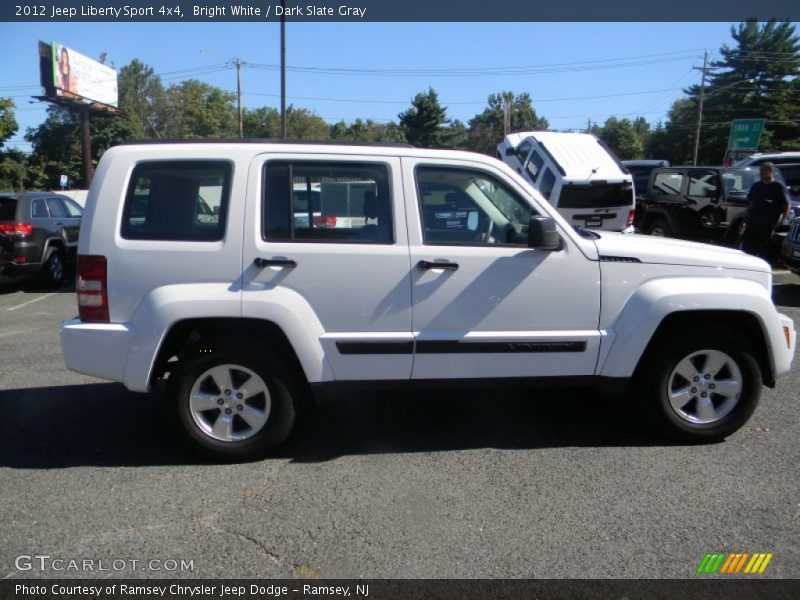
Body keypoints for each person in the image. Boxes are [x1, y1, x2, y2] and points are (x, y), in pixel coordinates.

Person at [740, 162, 790, 259]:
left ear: (770, 171)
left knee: (764, 252)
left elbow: (787, 205)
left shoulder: (778, 187)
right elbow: (751, 204)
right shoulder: (756, 186)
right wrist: (744, 221)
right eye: (760, 170)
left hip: (767, 226)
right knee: (747, 250)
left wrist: (781, 221)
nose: (761, 172)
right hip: (752, 224)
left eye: (763, 170)